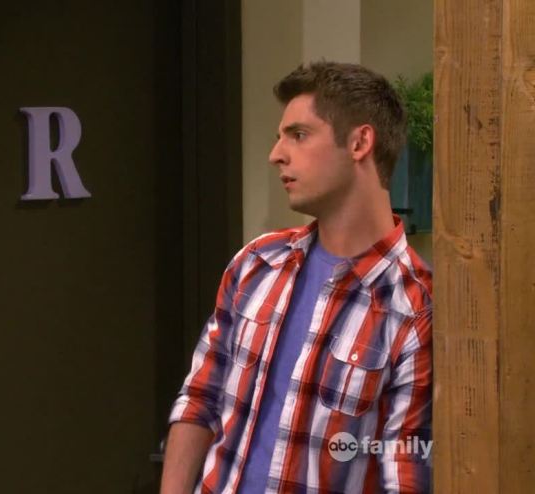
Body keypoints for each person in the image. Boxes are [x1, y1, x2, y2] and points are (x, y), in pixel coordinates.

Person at [160, 61, 433, 494]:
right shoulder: (257, 264)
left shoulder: (416, 305)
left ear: (360, 142)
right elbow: (200, 399)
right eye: (280, 137)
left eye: (299, 135)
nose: (276, 155)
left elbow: (405, 469)